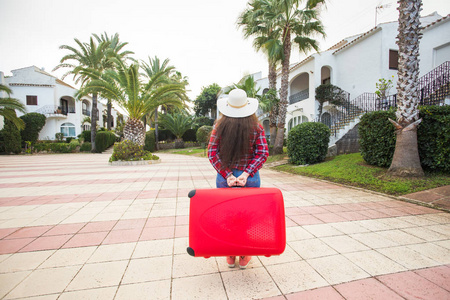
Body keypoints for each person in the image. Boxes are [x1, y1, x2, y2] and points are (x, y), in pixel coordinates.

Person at [207, 88, 269, 269]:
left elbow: (212, 153)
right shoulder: (256, 127)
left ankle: (229, 254)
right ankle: (244, 255)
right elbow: (263, 153)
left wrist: (228, 174)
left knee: (227, 217)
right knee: (247, 218)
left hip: (224, 179)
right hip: (249, 179)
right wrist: (245, 174)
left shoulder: (219, 126)